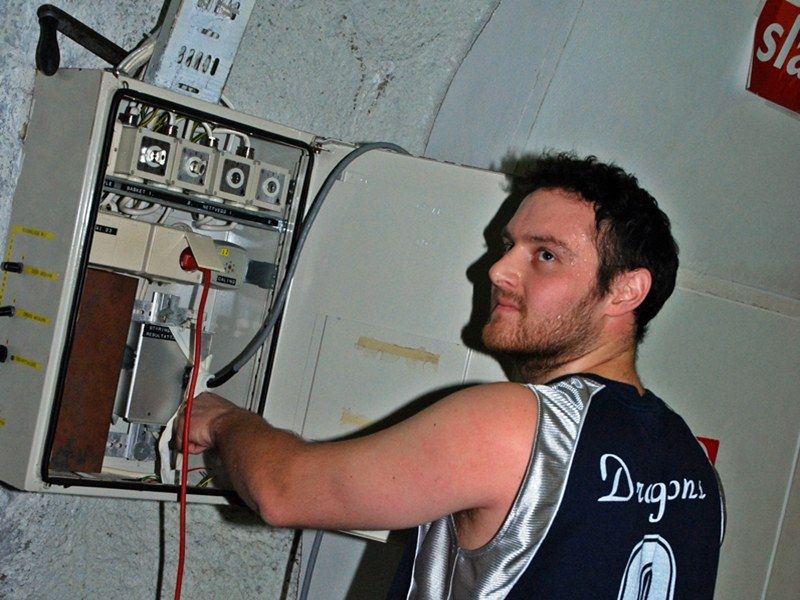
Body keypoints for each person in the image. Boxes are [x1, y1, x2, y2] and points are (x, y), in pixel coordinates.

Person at [176, 152, 724, 599]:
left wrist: (222, 420)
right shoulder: (695, 468)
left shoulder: (520, 425)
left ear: (626, 291)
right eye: (509, 246)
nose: (498, 270)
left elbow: (283, 490)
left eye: (546, 255)